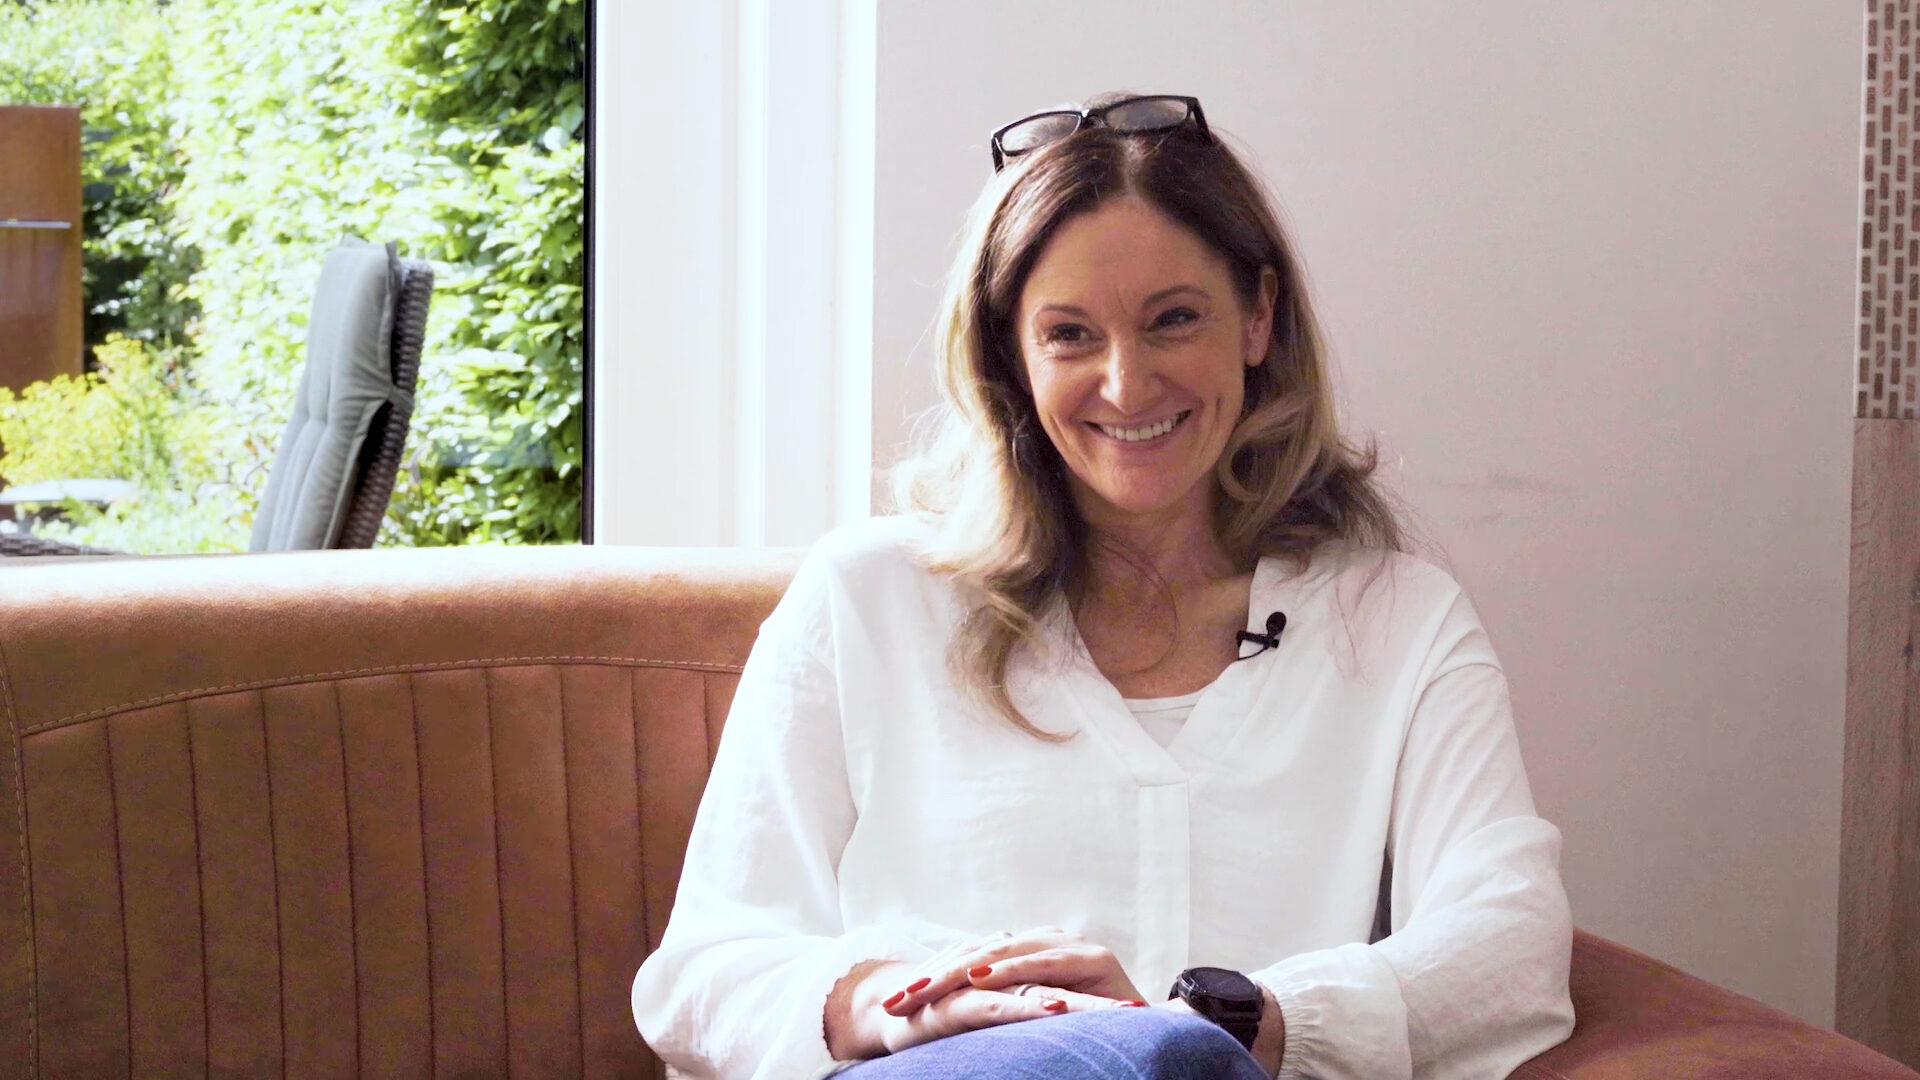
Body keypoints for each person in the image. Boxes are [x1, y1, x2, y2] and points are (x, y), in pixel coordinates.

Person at [632, 92, 1575, 1079]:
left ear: (1258, 317)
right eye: (1071, 334)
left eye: (1173, 320)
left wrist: (1228, 1025)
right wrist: (895, 1005)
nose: (1127, 384)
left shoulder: (1398, 622)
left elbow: (1509, 947)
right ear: (1011, 353)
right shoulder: (867, 599)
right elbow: (701, 975)